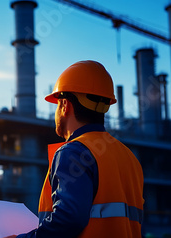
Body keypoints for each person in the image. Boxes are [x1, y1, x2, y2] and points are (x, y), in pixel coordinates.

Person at [9, 60, 144, 238]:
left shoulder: (73, 152)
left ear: (65, 105)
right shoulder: (129, 157)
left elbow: (68, 220)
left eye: (57, 104)